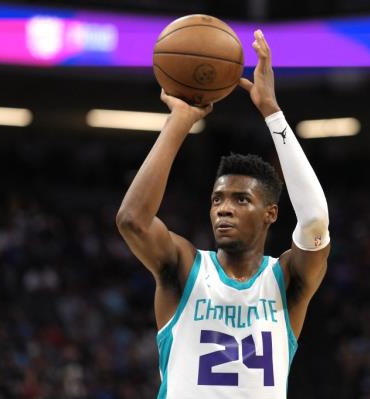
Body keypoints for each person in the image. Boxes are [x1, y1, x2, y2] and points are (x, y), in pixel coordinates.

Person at [116, 29, 330, 399]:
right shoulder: (183, 269)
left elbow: (314, 222)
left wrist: (272, 111)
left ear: (271, 213)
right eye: (217, 199)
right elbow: (132, 220)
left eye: (241, 200)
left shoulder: (287, 282)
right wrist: (181, 120)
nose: (224, 208)